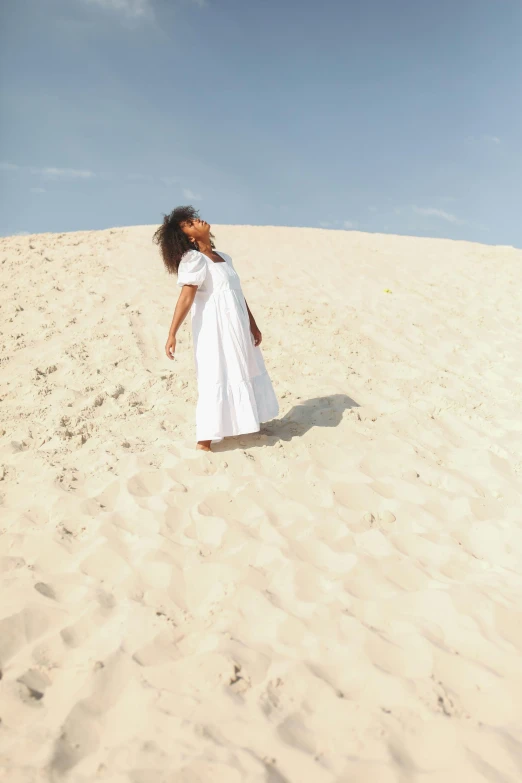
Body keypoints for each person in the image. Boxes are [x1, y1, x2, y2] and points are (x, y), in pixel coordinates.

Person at [153, 206, 279, 451]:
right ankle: (205, 440)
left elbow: (237, 294)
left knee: (242, 367)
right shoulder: (194, 259)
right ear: (189, 237)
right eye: (189, 224)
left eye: (192, 219)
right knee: (217, 373)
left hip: (237, 325)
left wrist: (252, 325)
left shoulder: (224, 257)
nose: (196, 221)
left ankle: (245, 421)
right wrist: (172, 333)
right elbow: (186, 298)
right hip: (215, 327)